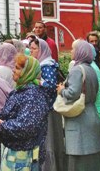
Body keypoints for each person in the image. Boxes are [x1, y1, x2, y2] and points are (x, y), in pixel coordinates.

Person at [0, 54, 52, 169]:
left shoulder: (33, 95)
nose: (13, 70)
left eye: (18, 68)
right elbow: (6, 114)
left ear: (28, 72)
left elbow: (26, 127)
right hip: (14, 155)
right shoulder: (20, 91)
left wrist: (1, 126)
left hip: (24, 158)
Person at [56, 39, 100, 171]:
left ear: (80, 52)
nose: (71, 51)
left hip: (79, 117)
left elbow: (73, 93)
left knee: (78, 158)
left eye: (73, 49)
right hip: (91, 113)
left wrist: (61, 90)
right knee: (92, 158)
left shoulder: (77, 70)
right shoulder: (91, 69)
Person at [29, 36, 65, 171]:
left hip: (49, 109)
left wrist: (37, 81)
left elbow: (51, 85)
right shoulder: (42, 64)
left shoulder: (46, 66)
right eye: (30, 48)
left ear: (41, 50)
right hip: (46, 108)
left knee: (49, 142)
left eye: (34, 49)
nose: (31, 51)